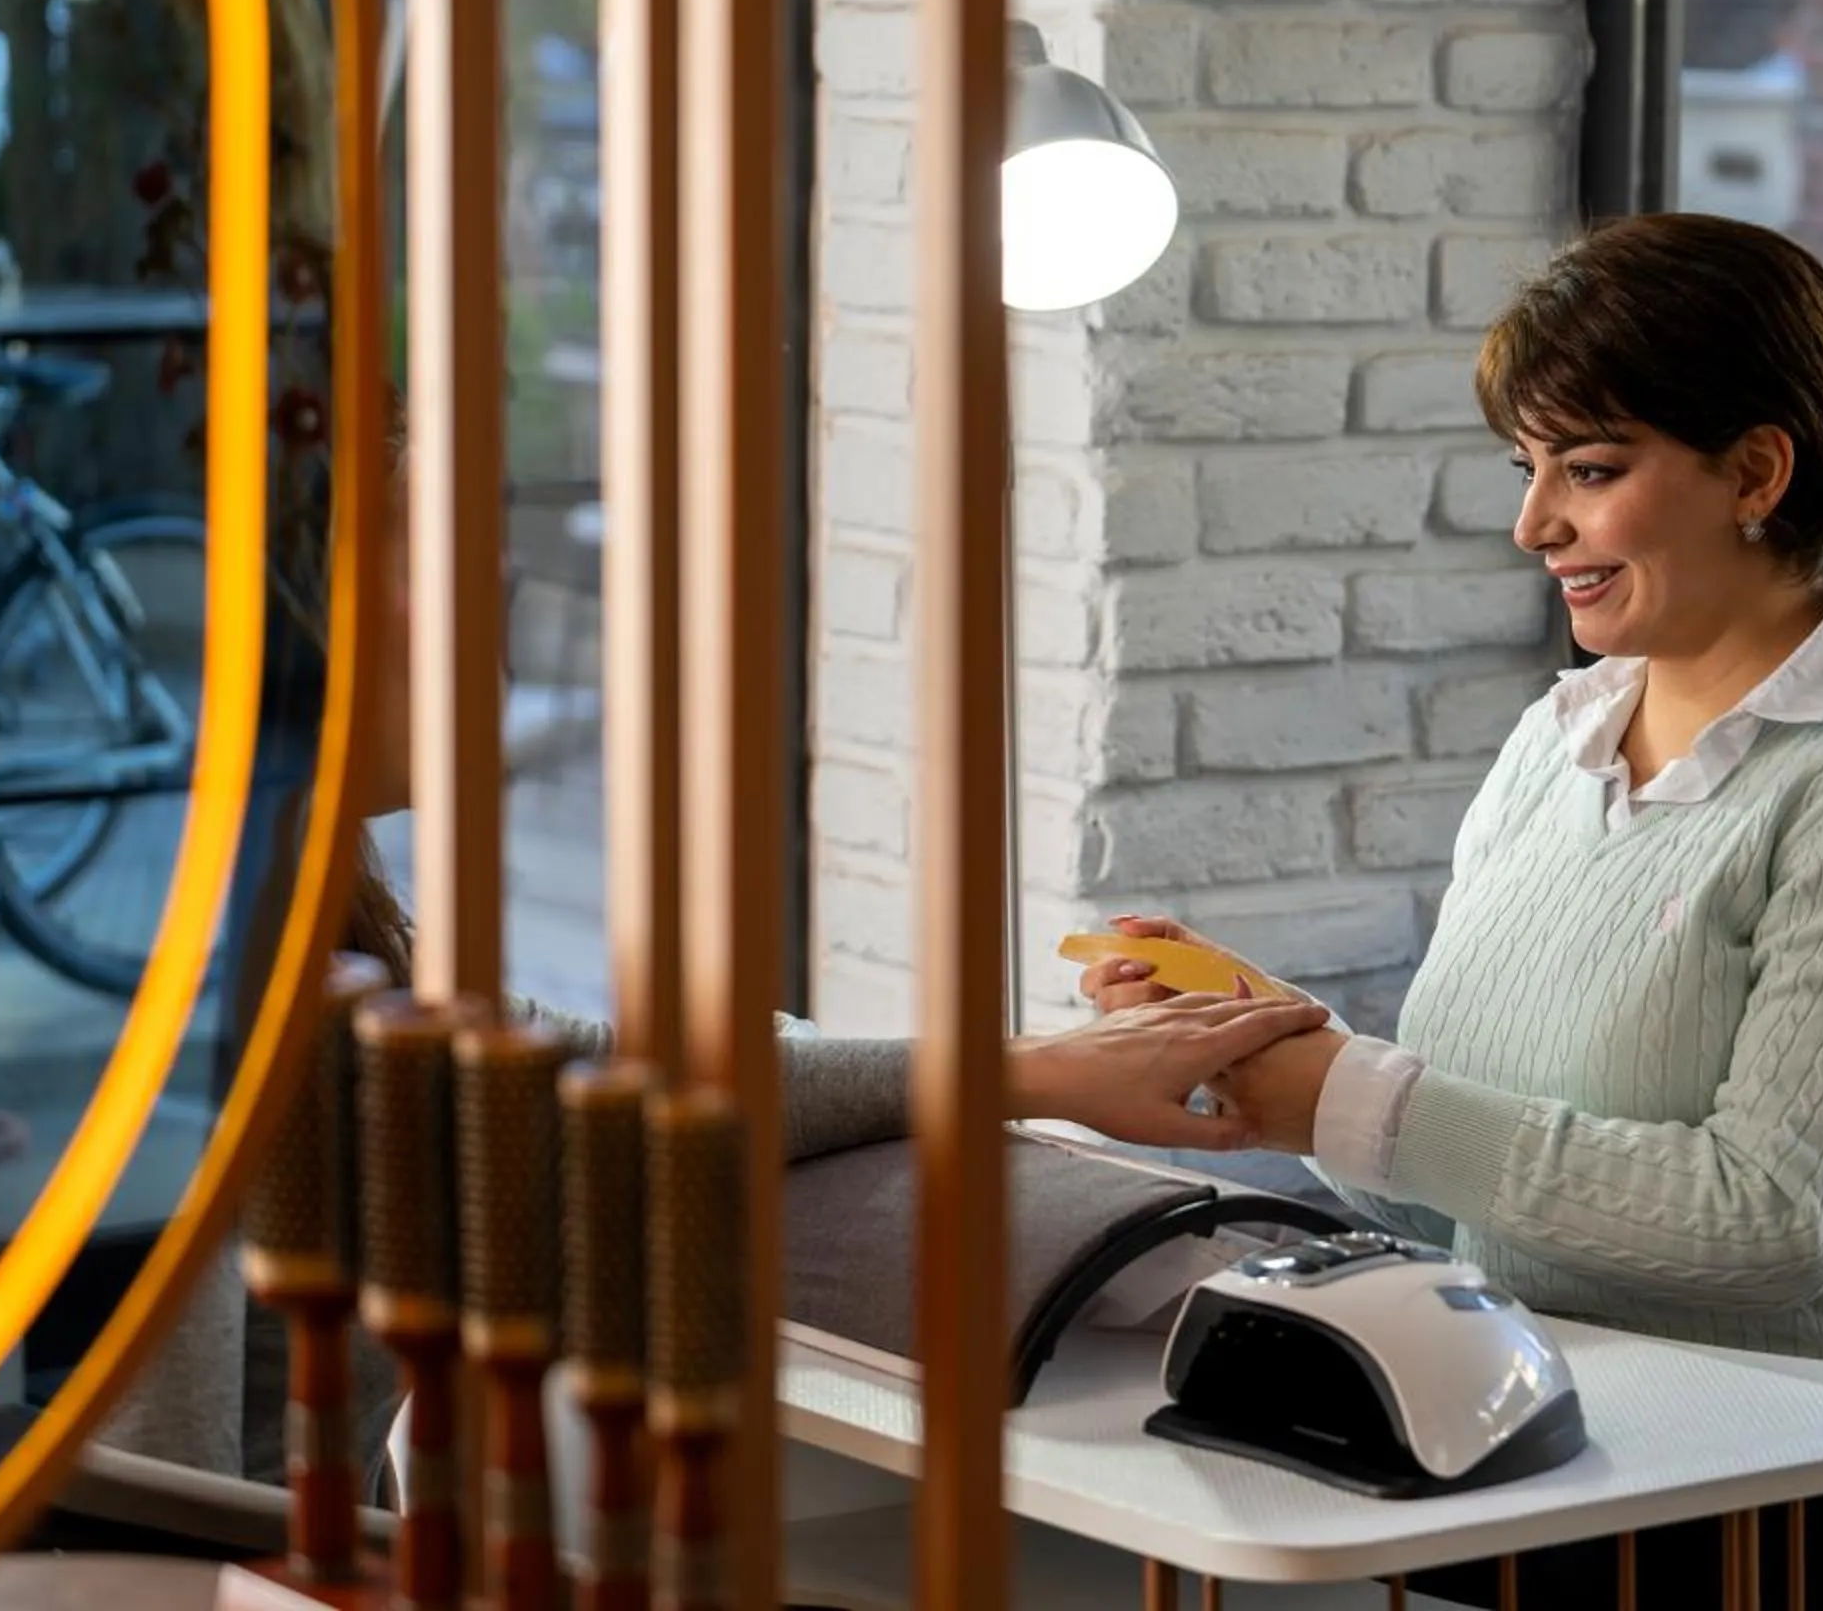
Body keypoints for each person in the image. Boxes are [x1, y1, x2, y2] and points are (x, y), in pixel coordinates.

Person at [1082, 214, 1823, 1609]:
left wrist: (1352, 1098)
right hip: (1551, 1413)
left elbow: (1772, 1222)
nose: (1535, 524)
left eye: (1589, 471)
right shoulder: (1563, 741)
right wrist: (1272, 1056)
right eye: (1531, 469)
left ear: (1756, 472)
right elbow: (1457, 1164)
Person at [96, 411, 1328, 1482]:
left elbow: (587, 1062)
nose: (502, 592)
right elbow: (171, 1489)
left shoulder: (301, 916)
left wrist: (1040, 1064)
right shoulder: (230, 988)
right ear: (305, 618)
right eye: (451, 562)